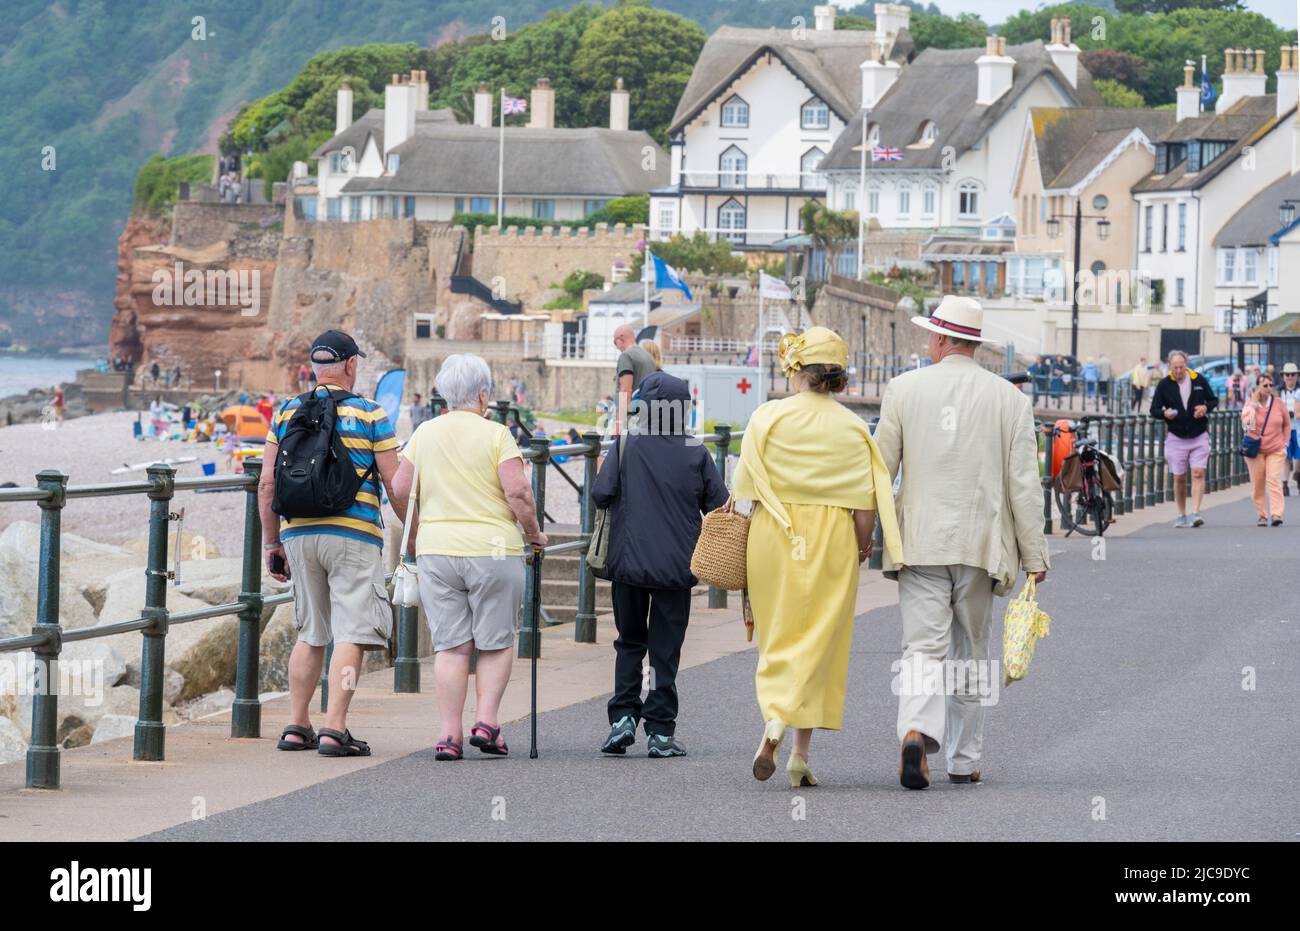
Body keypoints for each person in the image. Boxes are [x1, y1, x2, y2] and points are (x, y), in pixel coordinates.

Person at [874, 296, 1049, 789]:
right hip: (981, 543)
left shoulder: (903, 389)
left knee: (921, 648)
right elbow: (1023, 486)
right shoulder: (1010, 400)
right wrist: (1034, 554)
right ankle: (963, 759)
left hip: (920, 541)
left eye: (931, 334)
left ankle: (915, 729)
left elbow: (880, 470)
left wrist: (863, 533)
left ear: (942, 339)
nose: (928, 342)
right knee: (970, 650)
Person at [733, 326, 902, 788]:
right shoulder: (851, 427)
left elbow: (742, 488)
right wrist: (864, 544)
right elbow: (865, 501)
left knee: (779, 630)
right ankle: (800, 754)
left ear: (796, 371)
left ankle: (774, 716)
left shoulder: (769, 417)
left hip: (774, 532)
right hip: (832, 536)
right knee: (822, 637)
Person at [391, 354, 547, 761]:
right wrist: (534, 534)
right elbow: (518, 493)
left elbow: (400, 485)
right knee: (495, 641)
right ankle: (487, 722)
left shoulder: (424, 432)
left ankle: (448, 736)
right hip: (492, 550)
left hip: (438, 549)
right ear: (483, 394)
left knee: (452, 645)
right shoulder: (497, 435)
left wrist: (427, 523)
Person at [259, 329, 401, 757]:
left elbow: (267, 483)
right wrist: (411, 532)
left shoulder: (286, 413)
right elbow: (395, 483)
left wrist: (272, 543)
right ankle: (333, 728)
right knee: (351, 633)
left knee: (310, 631)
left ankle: (296, 725)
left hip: (298, 533)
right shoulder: (372, 414)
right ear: (352, 365)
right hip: (353, 535)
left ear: (314, 368)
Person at [593, 371, 728, 758]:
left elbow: (601, 495)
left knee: (629, 642)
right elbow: (718, 506)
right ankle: (660, 731)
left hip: (629, 564)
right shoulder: (696, 451)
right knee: (665, 650)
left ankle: (622, 718)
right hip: (676, 568)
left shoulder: (625, 447)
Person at [1149, 349, 1218, 528]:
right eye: (1174, 368)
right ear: (1170, 367)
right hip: (1176, 436)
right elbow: (1153, 410)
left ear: (1186, 365)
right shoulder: (1164, 384)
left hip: (1199, 434)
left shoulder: (1199, 380)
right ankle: (1181, 513)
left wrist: (1205, 408)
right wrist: (1165, 413)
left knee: (1198, 472)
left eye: (1181, 367)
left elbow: (1213, 400)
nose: (1178, 371)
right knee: (1179, 478)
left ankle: (1195, 513)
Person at [1242, 373, 1291, 526]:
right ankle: (1262, 515)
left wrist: (1285, 443)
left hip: (1276, 448)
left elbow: (1287, 424)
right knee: (1258, 483)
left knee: (1274, 480)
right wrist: (1252, 407)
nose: (1269, 388)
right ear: (1258, 387)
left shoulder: (1278, 403)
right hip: (1256, 450)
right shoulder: (1250, 404)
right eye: (1265, 385)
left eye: (1271, 385)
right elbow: (1246, 426)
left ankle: (1277, 514)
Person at [612, 325, 656, 433]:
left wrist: (619, 423)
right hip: (647, 417)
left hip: (632, 419)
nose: (616, 347)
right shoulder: (648, 356)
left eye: (615, 342)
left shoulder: (626, 356)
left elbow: (626, 390)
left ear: (621, 338)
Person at [1278, 362, 1300, 496]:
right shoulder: (1278, 391)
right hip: (1284, 430)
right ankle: (1284, 485)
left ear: (1297, 376)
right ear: (1283, 376)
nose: (1290, 377)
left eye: (1293, 374)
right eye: (1287, 375)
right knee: (1285, 458)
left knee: (1299, 458)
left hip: (1298, 429)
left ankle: (1298, 476)